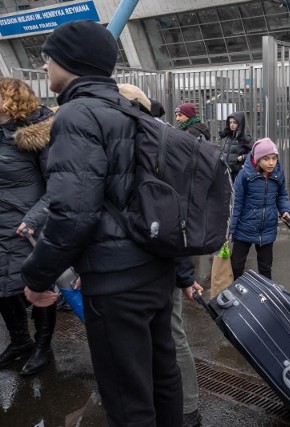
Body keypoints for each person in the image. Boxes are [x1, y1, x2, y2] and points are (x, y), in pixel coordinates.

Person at [21, 21, 191, 426]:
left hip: (116, 283)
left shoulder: (77, 115)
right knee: (162, 374)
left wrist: (37, 276)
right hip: (154, 268)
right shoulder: (130, 109)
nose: (45, 67)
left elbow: (73, 212)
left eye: (49, 58)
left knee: (125, 390)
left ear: (71, 62)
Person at [118, 83, 203, 427]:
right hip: (144, 260)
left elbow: (173, 217)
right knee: (164, 336)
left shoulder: (151, 147)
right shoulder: (147, 143)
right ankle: (179, 407)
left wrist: (184, 275)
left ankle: (187, 409)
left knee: (170, 335)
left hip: (157, 262)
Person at [0, 78, 55, 376]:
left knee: (38, 287)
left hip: (26, 227)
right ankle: (20, 342)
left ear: (10, 100)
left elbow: (57, 185)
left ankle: (42, 347)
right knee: (2, 289)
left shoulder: (36, 135)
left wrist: (33, 219)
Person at [230, 137, 290, 280]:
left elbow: (282, 194)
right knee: (236, 266)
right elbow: (236, 203)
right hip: (244, 227)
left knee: (265, 268)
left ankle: (265, 297)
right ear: (257, 160)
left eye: (274, 158)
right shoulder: (244, 175)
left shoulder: (277, 173)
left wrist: (285, 210)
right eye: (266, 159)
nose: (271, 163)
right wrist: (230, 229)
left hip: (267, 228)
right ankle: (238, 293)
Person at [219, 112, 254, 181]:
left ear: (239, 123)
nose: (232, 125)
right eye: (230, 122)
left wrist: (242, 157)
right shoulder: (228, 136)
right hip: (227, 172)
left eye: (234, 123)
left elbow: (255, 151)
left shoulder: (244, 138)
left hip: (238, 172)